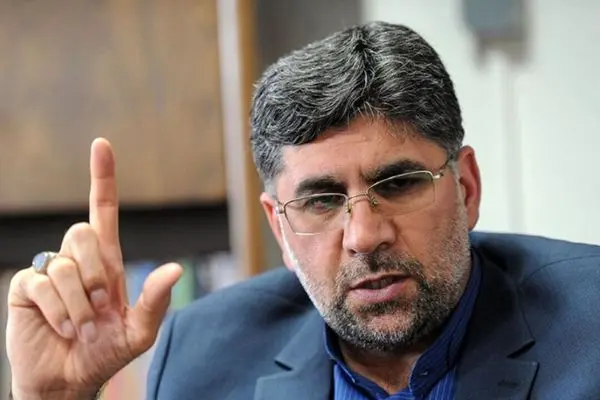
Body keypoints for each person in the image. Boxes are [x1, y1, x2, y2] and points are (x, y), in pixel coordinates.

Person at [5, 20, 600, 400]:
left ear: (466, 189)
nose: (364, 235)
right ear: (280, 229)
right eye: (320, 201)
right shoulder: (203, 356)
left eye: (398, 184)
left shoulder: (590, 328)